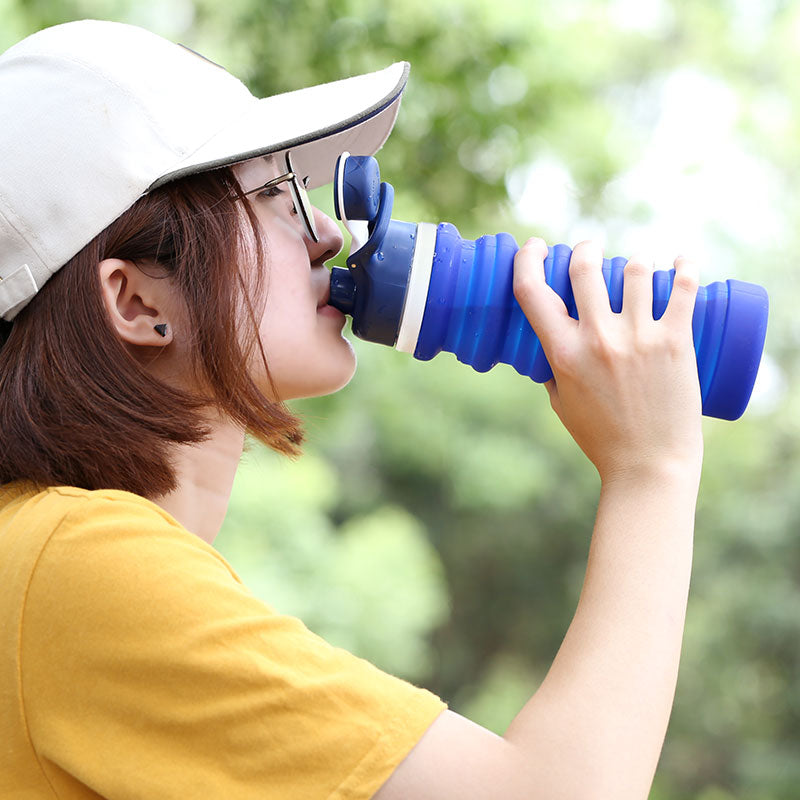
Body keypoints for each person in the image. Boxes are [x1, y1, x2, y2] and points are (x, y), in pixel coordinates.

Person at [0, 19, 703, 800]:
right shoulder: (79, 565)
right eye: (274, 197)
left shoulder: (48, 559)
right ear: (136, 301)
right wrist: (651, 468)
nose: (329, 233)